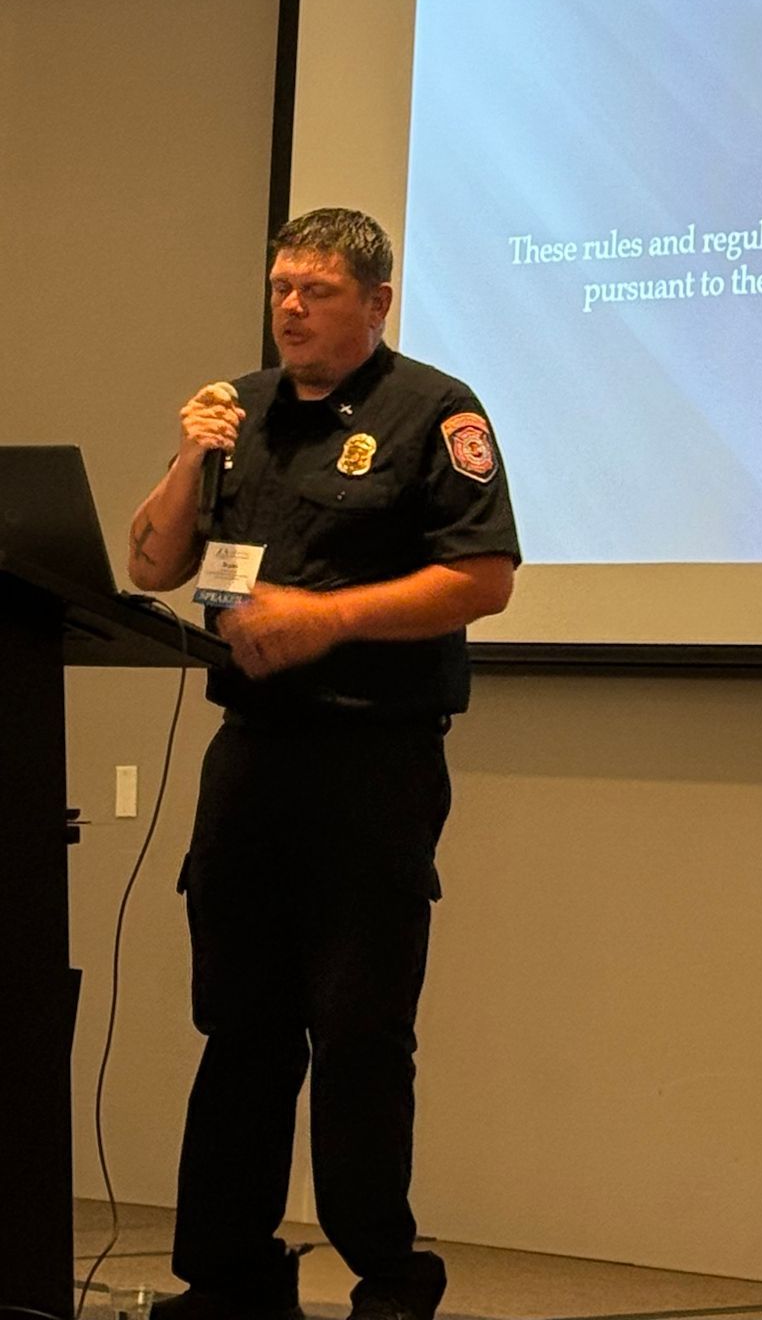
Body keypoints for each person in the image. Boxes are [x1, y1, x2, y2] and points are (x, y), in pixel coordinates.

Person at [127, 208, 521, 1320]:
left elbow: (484, 580)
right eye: (282, 287)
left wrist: (327, 619)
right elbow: (151, 563)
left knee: (357, 1029)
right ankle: (228, 1270)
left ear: (376, 303)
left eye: (318, 290)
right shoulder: (238, 412)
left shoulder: (434, 411)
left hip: (371, 764)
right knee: (239, 1025)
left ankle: (386, 1271)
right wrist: (188, 458)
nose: (291, 307)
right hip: (250, 758)